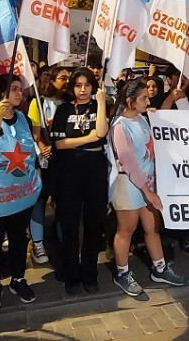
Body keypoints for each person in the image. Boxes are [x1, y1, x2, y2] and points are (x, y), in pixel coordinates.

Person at [109, 78, 186, 297]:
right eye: (143, 97)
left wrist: (171, 98)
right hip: (129, 184)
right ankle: (122, 273)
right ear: (130, 100)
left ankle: (159, 268)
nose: (148, 100)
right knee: (127, 230)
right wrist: (148, 192)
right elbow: (130, 162)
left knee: (152, 228)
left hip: (147, 183)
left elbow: (160, 120)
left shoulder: (143, 119)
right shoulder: (119, 126)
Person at [0, 75, 42, 308]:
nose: (19, 94)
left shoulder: (22, 117)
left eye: (20, 90)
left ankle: (18, 278)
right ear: (0, 93)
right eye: (13, 89)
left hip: (21, 190)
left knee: (18, 237)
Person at [50, 68, 109, 295]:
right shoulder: (64, 110)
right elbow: (59, 144)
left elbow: (102, 133)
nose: (82, 89)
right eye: (78, 85)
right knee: (70, 224)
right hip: (69, 172)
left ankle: (90, 273)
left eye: (86, 85)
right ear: (72, 87)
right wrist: (88, 138)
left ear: (93, 86)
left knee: (93, 224)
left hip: (94, 171)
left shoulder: (99, 106)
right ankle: (71, 273)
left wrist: (102, 102)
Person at [27, 66, 71, 265]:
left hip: (65, 160)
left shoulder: (70, 103)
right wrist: (43, 147)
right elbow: (35, 134)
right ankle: (38, 243)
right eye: (63, 78)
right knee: (39, 201)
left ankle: (65, 241)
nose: (67, 81)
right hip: (44, 161)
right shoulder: (38, 102)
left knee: (63, 201)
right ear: (51, 80)